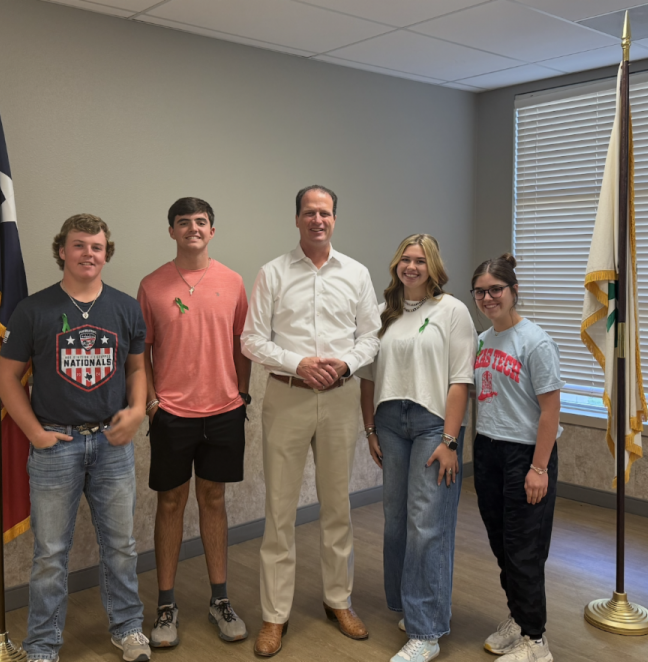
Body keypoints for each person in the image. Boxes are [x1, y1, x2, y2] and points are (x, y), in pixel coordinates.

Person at [0, 213, 151, 662]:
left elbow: (138, 367)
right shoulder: (34, 310)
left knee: (121, 546)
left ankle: (128, 629)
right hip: (55, 447)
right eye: (79, 245)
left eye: (97, 247)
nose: (89, 253)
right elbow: (7, 377)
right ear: (62, 250)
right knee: (50, 554)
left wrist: (138, 410)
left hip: (111, 445)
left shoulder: (125, 307)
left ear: (107, 253)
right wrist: (34, 432)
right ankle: (42, 644)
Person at [241, 185, 381, 657]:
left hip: (340, 399)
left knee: (337, 506)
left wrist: (343, 364)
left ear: (335, 219)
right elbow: (252, 341)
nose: (317, 220)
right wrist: (299, 362)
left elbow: (371, 338)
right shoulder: (274, 273)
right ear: (296, 219)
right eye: (308, 213)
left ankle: (338, 600)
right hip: (288, 396)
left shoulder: (356, 273)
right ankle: (274, 615)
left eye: (324, 213)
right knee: (279, 513)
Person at [136, 197, 250, 648]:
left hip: (223, 411)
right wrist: (149, 400)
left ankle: (219, 599)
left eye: (200, 222)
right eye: (183, 223)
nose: (193, 229)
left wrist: (241, 395)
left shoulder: (234, 281)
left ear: (212, 231)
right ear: (172, 232)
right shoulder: (152, 285)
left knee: (215, 500)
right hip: (172, 415)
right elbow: (140, 351)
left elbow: (244, 342)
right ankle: (166, 605)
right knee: (169, 504)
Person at [359, 234, 476, 662]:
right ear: (396, 265)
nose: (411, 267)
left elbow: (461, 379)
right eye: (405, 260)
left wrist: (450, 441)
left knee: (427, 524)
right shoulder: (382, 314)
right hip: (390, 422)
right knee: (395, 522)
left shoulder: (452, 311)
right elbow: (369, 377)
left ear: (433, 267)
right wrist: (369, 429)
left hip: (433, 425)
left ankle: (427, 632)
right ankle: (410, 607)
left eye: (420, 261)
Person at [470, 253, 564, 662]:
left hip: (526, 454)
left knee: (525, 549)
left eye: (496, 290)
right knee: (502, 544)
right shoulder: (482, 340)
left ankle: (536, 642)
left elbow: (551, 410)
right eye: (481, 291)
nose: (488, 298)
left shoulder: (535, 341)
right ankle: (518, 616)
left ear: (513, 291)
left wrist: (538, 467)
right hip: (488, 449)